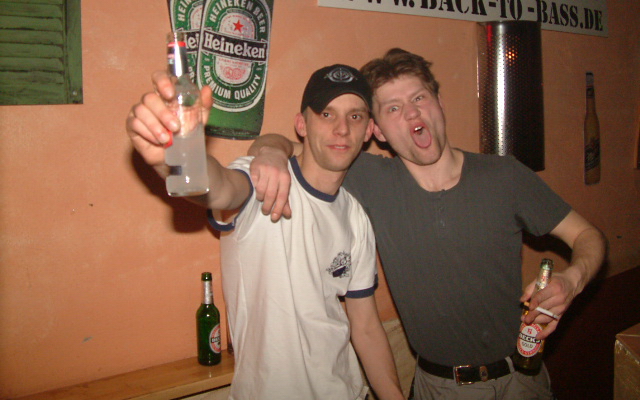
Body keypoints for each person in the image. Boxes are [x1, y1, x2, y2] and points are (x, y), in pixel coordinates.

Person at [248, 48, 608, 399]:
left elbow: (588, 236)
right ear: (377, 131)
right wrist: (269, 151)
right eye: (393, 108)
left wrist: (573, 279)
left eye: (419, 98)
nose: (411, 112)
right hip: (439, 387)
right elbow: (293, 146)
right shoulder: (368, 177)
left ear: (439, 104)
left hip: (522, 380)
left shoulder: (504, 176)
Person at [126, 64, 404, 400]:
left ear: (369, 129)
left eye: (355, 116)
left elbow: (367, 327)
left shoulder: (355, 216)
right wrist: (175, 158)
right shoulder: (263, 178)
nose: (342, 129)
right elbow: (221, 188)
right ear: (301, 124)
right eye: (327, 114)